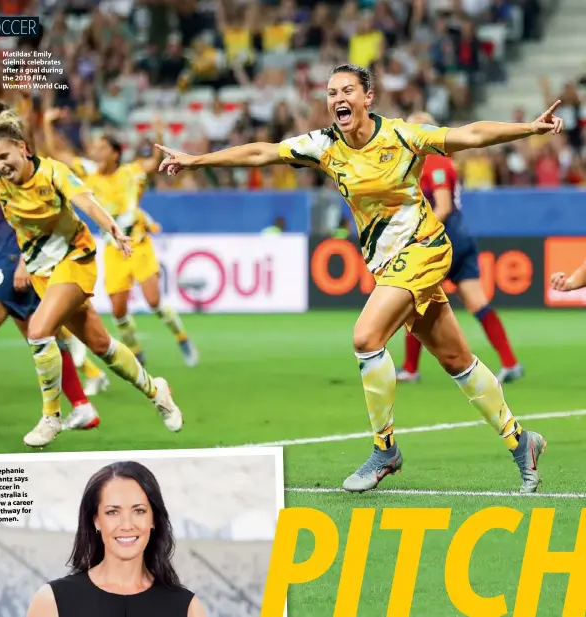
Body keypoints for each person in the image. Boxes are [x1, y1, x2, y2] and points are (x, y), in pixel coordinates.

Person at [155, 63, 564, 494]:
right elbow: (262, 152)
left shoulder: (404, 136)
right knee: (456, 361)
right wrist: (198, 160)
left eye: (347, 90)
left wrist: (528, 129)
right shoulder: (324, 145)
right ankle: (522, 443)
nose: (338, 99)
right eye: (331, 93)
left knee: (367, 338)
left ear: (368, 97)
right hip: (389, 266)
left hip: (425, 249)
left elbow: (470, 135)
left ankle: (384, 450)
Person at [0, 111, 183, 447]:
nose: (0, 165)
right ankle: (157, 390)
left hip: (75, 258)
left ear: (22, 148)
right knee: (101, 346)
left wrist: (111, 226)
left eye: (5, 156)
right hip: (42, 272)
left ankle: (51, 416)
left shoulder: (53, 172)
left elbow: (85, 200)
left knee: (39, 331)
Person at [0, 99, 101, 428]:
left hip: (15, 259)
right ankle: (82, 404)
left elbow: (32, 217)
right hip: (6, 256)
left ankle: (79, 404)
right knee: (39, 336)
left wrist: (26, 262)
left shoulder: (10, 169)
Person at [43, 109, 199, 369]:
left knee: (153, 301)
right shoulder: (87, 170)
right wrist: (48, 125)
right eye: (94, 148)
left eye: (102, 148)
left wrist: (159, 131)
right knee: (118, 311)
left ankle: (182, 338)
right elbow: (57, 155)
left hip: (138, 244)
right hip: (113, 249)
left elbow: (155, 163)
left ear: (115, 153)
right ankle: (136, 352)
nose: (95, 152)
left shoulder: (131, 172)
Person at [396, 111, 523, 385]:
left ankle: (409, 368)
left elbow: (443, 207)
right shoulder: (434, 161)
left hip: (446, 239)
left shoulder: (432, 162)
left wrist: (416, 233)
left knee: (414, 300)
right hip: (461, 236)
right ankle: (510, 363)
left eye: (410, 129)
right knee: (477, 302)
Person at [26, 461, 206, 617]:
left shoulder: (188, 608)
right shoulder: (52, 602)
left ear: (153, 519)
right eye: (112, 512)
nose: (126, 525)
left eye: (139, 511)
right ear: (96, 520)